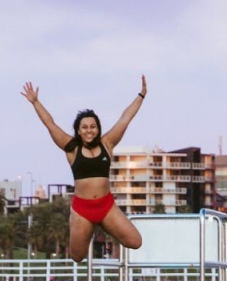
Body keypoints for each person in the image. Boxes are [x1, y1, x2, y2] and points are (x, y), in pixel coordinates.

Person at [22, 76, 147, 262]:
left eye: (93, 127)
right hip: (82, 210)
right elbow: (50, 123)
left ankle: (104, 225)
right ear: (78, 130)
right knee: (78, 256)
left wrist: (141, 95)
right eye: (85, 127)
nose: (89, 130)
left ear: (98, 129)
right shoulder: (71, 148)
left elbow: (124, 119)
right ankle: (87, 227)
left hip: (106, 206)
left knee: (135, 241)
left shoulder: (107, 144)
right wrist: (35, 102)